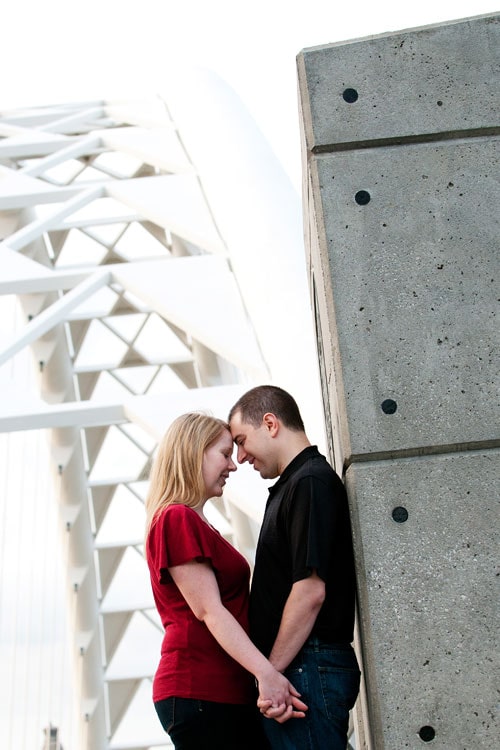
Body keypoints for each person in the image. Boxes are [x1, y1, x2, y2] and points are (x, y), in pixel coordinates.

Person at [145, 412, 307, 750]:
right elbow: (211, 612)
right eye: (224, 454)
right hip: (201, 688)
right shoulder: (176, 518)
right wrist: (267, 674)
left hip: (221, 691)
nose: (233, 466)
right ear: (193, 453)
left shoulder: (197, 524)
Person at [228, 385, 361, 750]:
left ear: (270, 423)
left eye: (241, 440)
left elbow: (310, 591)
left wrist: (271, 674)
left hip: (307, 666)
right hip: (303, 667)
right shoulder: (294, 485)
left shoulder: (310, 482)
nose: (240, 457)